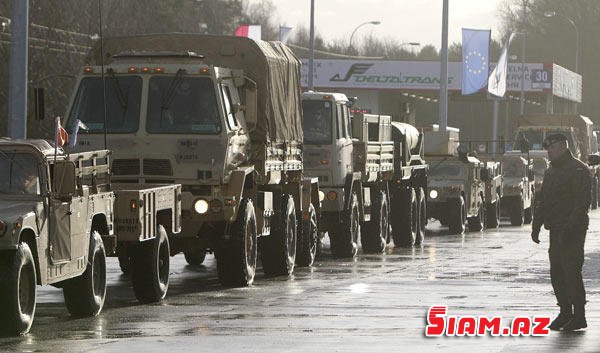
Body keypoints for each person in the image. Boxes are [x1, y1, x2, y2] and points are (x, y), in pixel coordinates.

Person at [531, 133, 591, 331]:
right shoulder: (551, 172)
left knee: (571, 271)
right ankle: (565, 312)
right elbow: (544, 200)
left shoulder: (578, 170)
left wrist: (569, 228)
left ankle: (579, 316)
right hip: (555, 229)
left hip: (572, 231)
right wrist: (536, 224)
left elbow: (581, 204)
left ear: (563, 147)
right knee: (556, 272)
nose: (549, 151)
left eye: (552, 148)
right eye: (548, 148)